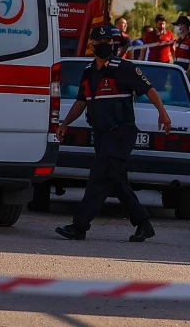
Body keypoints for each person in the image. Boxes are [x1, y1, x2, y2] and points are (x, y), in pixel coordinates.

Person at [55, 25, 172, 242]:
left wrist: (163, 113)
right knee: (116, 181)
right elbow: (82, 101)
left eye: (109, 41)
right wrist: (65, 124)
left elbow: (149, 89)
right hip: (101, 135)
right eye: (101, 43)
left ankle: (79, 226)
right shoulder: (89, 72)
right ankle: (144, 224)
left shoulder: (123, 68)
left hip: (120, 134)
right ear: (92, 45)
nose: (106, 45)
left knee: (97, 179)